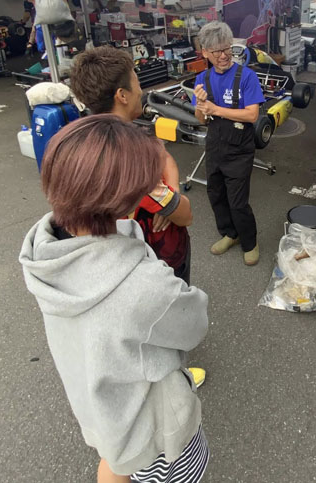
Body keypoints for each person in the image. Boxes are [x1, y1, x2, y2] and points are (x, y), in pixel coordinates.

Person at [19, 115, 210, 483]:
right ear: (122, 199)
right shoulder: (143, 287)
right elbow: (194, 323)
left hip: (102, 411)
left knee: (114, 463)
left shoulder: (47, 252)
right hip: (157, 437)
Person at [69, 46, 205, 388]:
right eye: (136, 80)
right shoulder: (131, 157)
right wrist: (171, 204)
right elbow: (185, 216)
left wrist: (168, 190)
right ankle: (170, 379)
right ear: (122, 94)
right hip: (151, 262)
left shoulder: (79, 142)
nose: (142, 88)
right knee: (159, 328)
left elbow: (165, 158)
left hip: (103, 265)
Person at [192, 21, 265, 266]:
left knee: (237, 202)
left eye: (227, 49)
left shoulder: (247, 77)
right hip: (214, 146)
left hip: (239, 149)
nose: (223, 56)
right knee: (216, 194)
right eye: (217, 51)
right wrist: (201, 106)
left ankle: (250, 242)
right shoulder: (202, 79)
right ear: (205, 52)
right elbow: (201, 119)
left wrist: (215, 109)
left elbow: (252, 115)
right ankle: (230, 233)